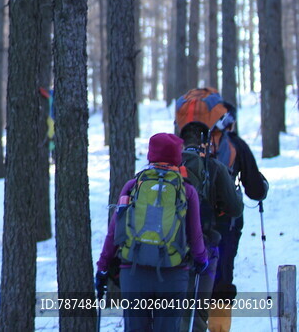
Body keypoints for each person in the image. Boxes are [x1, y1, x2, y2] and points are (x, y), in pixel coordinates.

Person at [96, 133, 208, 332]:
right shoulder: (187, 191)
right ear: (177, 157)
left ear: (150, 155)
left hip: (134, 271)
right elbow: (195, 234)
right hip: (173, 272)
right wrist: (201, 260)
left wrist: (103, 266)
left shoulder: (132, 187)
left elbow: (114, 232)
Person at [208, 102, 269, 332]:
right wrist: (263, 186)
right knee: (222, 278)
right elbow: (254, 189)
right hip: (226, 223)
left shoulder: (192, 145)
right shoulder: (236, 145)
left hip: (191, 220)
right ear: (230, 121)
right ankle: (219, 328)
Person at [178, 121, 243, 332]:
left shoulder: (165, 167)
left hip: (166, 249)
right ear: (206, 142)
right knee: (197, 311)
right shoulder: (214, 167)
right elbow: (235, 208)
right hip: (204, 249)